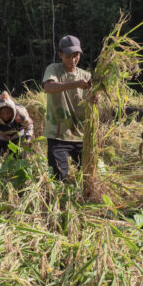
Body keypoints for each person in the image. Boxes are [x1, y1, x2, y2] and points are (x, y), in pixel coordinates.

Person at [42, 35, 92, 181]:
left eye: (76, 55)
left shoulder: (86, 75)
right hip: (58, 135)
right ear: (60, 54)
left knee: (86, 176)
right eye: (69, 55)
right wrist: (76, 84)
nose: (73, 59)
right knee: (59, 178)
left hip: (81, 135)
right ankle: (59, 202)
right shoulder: (54, 69)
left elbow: (90, 101)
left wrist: (94, 98)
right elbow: (49, 87)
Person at [0, 91, 34, 159]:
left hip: (18, 136)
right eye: (2, 114)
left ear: (13, 111)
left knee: (19, 157)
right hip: (2, 137)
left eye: (8, 113)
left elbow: (29, 125)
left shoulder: (21, 113)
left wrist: (28, 138)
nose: (5, 116)